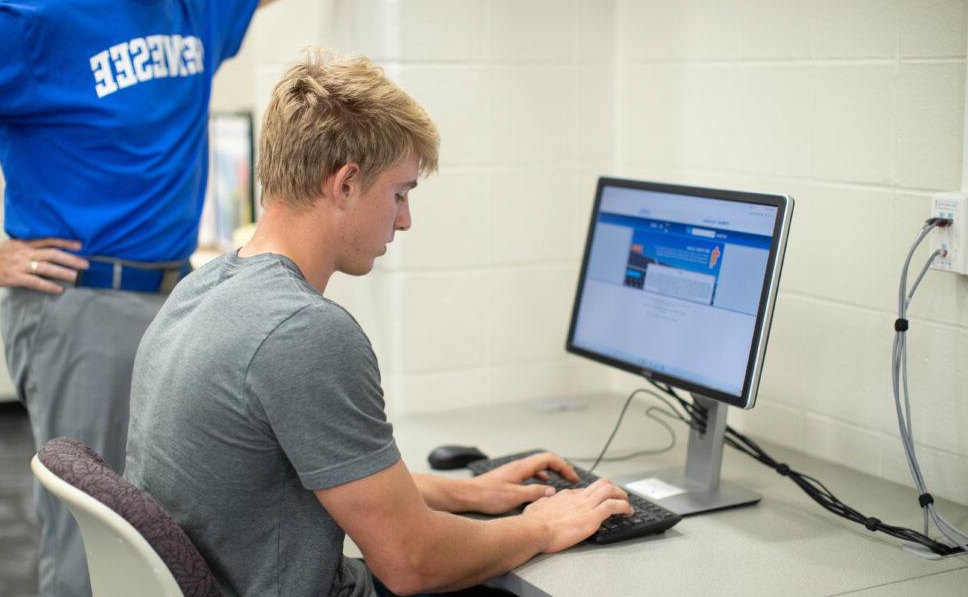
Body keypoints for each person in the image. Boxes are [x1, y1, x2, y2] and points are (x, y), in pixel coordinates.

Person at [124, 51, 633, 597]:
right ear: (344, 184)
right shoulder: (301, 332)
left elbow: (304, 479)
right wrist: (542, 524)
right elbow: (413, 563)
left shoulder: (203, 288)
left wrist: (466, 494)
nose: (405, 219)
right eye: (399, 193)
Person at [0, 0, 282, 595]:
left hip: (177, 298)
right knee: (93, 540)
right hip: (84, 305)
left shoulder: (195, 5)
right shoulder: (30, 19)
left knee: (169, 526)